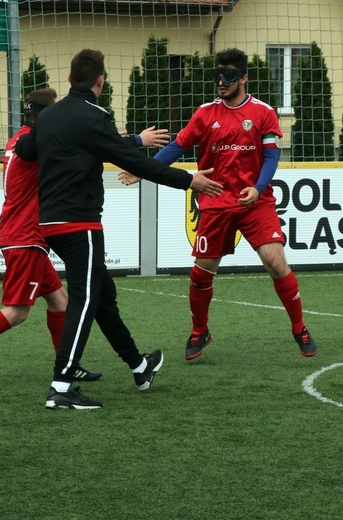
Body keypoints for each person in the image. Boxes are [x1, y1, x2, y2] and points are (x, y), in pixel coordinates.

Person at [15, 49, 223, 410]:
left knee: (102, 296)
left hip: (49, 222)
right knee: (84, 298)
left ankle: (139, 366)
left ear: (68, 79)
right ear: (100, 80)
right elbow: (129, 160)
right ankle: (61, 386)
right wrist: (189, 180)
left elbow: (25, 150)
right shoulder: (96, 116)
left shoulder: (49, 116)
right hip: (80, 222)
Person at [0, 88, 171, 383]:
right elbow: (76, 146)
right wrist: (135, 140)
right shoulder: (42, 142)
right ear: (48, 114)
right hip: (28, 234)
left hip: (23, 230)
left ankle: (69, 366)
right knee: (18, 311)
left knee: (60, 301)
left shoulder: (17, 140)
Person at [121, 47, 318, 360]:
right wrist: (144, 170)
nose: (220, 83)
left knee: (276, 262)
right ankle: (200, 330)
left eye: (227, 76)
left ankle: (299, 326)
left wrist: (258, 188)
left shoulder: (263, 112)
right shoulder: (205, 113)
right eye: (217, 76)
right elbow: (178, 147)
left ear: (243, 78)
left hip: (256, 200)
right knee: (202, 272)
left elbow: (271, 156)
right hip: (214, 200)